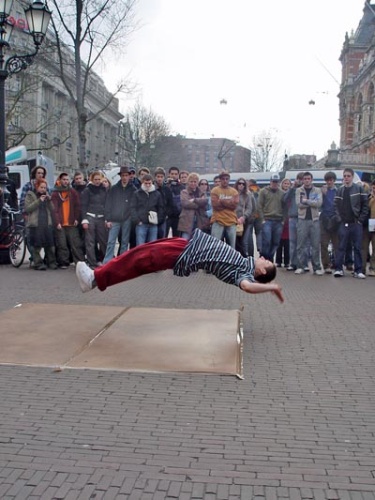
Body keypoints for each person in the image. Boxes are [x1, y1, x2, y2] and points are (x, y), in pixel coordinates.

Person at [76, 228, 284, 304]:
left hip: (181, 255)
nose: (264, 257)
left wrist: (271, 287)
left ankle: (94, 279)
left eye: (266, 261)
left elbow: (247, 287)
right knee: (135, 254)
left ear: (262, 271)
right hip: (185, 246)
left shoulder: (244, 273)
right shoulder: (244, 261)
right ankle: (97, 275)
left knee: (135, 261)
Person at [333, 168, 369, 278]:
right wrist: (339, 219)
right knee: (341, 247)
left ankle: (358, 271)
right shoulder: (340, 190)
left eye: (348, 176)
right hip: (344, 223)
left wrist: (360, 220)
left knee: (357, 247)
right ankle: (339, 269)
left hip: (355, 223)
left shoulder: (359, 188)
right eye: (344, 176)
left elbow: (365, 205)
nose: (346, 178)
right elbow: (335, 206)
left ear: (352, 177)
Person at [51, 172, 85, 268]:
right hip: (61, 223)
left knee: (76, 243)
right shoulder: (55, 193)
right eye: (64, 179)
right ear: (60, 180)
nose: (66, 181)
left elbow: (77, 206)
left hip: (71, 222)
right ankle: (63, 262)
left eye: (67, 179)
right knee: (62, 244)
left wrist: (76, 218)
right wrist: (57, 222)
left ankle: (79, 261)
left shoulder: (72, 192)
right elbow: (54, 209)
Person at [103, 166, 136, 263]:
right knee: (111, 241)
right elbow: (108, 204)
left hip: (127, 218)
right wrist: (108, 218)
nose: (125, 177)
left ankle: (122, 261)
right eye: (123, 175)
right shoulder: (114, 189)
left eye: (126, 175)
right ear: (120, 176)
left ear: (129, 176)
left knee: (125, 241)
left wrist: (130, 216)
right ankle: (107, 261)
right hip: (114, 218)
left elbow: (133, 204)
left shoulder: (133, 189)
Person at [24, 178, 57, 270]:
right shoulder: (30, 194)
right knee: (36, 245)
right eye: (41, 187)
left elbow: (53, 209)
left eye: (45, 188)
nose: (43, 189)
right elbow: (28, 208)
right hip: (36, 223)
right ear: (37, 186)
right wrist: (39, 201)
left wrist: (49, 200)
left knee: (50, 244)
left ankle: (52, 262)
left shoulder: (47, 195)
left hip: (47, 222)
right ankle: (38, 263)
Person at [294, 172, 323, 275]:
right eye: (305, 179)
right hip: (302, 220)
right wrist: (311, 202)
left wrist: (306, 201)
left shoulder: (317, 190)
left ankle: (317, 267)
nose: (306, 180)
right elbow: (299, 204)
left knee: (315, 245)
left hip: (315, 220)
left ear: (311, 179)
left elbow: (319, 203)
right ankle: (300, 266)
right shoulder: (299, 190)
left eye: (308, 178)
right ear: (302, 180)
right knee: (300, 244)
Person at [81, 171, 108, 268]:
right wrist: (84, 219)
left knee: (103, 240)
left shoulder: (104, 190)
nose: (97, 181)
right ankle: (92, 262)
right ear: (92, 180)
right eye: (95, 179)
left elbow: (107, 205)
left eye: (99, 179)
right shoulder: (87, 190)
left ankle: (105, 260)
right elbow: (83, 205)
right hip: (90, 217)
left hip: (101, 218)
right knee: (90, 241)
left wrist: (107, 218)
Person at [258, 173, 284, 261]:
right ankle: (264, 258)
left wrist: (283, 220)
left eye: (276, 182)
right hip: (267, 220)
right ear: (270, 182)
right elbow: (259, 206)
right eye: (273, 181)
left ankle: (270, 258)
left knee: (276, 242)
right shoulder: (263, 191)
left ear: (279, 182)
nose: (275, 183)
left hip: (278, 220)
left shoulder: (282, 193)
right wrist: (262, 219)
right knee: (267, 241)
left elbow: (285, 208)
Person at [131, 173, 163, 245]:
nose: (148, 185)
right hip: (141, 223)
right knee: (140, 245)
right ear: (142, 182)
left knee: (152, 245)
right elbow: (132, 208)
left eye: (149, 183)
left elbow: (161, 208)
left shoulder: (157, 194)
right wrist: (137, 220)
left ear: (152, 182)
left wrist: (158, 220)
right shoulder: (137, 193)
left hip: (153, 223)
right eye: (146, 183)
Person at [210, 170, 239, 248]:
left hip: (231, 221)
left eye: (227, 179)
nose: (225, 181)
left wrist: (221, 201)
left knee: (232, 247)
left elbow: (234, 206)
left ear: (229, 180)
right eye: (223, 179)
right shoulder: (215, 190)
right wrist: (229, 202)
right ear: (220, 180)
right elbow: (215, 205)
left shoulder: (234, 191)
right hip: (218, 221)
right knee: (215, 246)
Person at [283, 172, 303, 271]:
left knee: (302, 242)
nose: (299, 181)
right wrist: (292, 187)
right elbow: (284, 199)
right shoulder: (292, 190)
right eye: (298, 179)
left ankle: (301, 264)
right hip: (292, 218)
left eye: (301, 179)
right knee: (292, 243)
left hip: (302, 218)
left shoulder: (305, 190)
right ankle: (292, 263)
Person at [320, 171, 340, 273]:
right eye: (327, 180)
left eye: (331, 180)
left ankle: (338, 266)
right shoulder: (322, 191)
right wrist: (322, 195)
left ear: (334, 180)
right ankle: (326, 265)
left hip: (336, 220)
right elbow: (318, 205)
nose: (329, 182)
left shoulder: (339, 191)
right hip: (324, 220)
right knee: (323, 244)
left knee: (337, 245)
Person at [178, 172, 208, 239]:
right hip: (187, 220)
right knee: (185, 240)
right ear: (188, 182)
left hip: (199, 220)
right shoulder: (184, 192)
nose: (193, 183)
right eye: (191, 181)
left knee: (198, 240)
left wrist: (194, 200)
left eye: (195, 181)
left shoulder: (202, 192)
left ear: (197, 182)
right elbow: (185, 203)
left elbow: (205, 202)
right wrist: (198, 204)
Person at [234, 178, 256, 257]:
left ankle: (247, 258)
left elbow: (250, 208)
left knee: (245, 241)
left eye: (243, 184)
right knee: (235, 241)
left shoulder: (248, 194)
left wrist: (243, 217)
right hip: (233, 220)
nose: (241, 185)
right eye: (239, 183)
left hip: (245, 221)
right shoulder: (233, 193)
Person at [154, 167, 174, 239]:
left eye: (161, 177)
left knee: (163, 238)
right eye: (158, 177)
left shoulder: (167, 189)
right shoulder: (152, 188)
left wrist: (167, 214)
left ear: (164, 177)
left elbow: (170, 203)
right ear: (155, 177)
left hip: (164, 218)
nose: (159, 179)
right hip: (153, 217)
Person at [276, 178, 291, 267]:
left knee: (287, 243)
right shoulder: (279, 194)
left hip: (289, 219)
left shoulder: (291, 194)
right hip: (280, 219)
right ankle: (278, 261)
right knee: (279, 242)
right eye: (285, 183)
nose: (286, 185)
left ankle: (286, 261)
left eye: (288, 183)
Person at [166, 166, 183, 237]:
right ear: (169, 174)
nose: (174, 176)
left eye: (176, 174)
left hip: (177, 215)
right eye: (172, 174)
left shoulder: (181, 187)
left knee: (176, 237)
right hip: (167, 215)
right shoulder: (165, 186)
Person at [366, 180, 375, 276]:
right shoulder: (368, 198)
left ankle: (373, 268)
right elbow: (365, 208)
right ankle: (362, 268)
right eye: (373, 188)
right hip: (367, 226)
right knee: (364, 248)